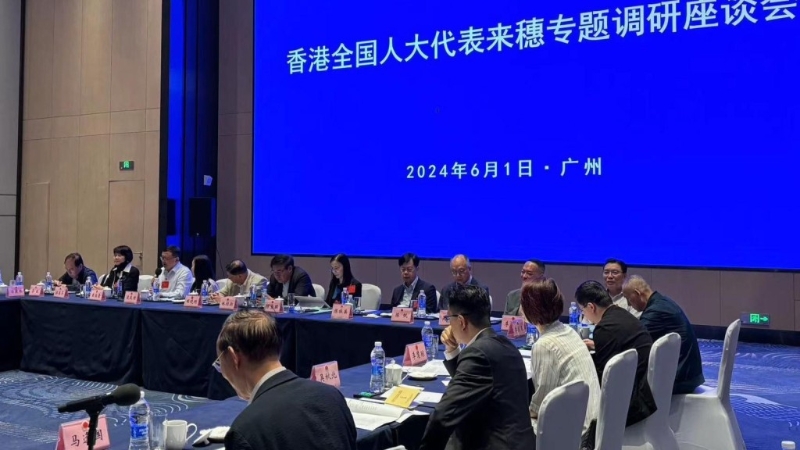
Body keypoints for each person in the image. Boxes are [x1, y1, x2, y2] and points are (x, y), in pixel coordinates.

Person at [215, 310, 357, 450]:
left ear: (234, 357)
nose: (222, 372)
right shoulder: (332, 396)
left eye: (220, 361)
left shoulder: (245, 430)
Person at [419, 285, 535, 450]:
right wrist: (452, 350)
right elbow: (471, 386)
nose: (448, 325)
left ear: (461, 321)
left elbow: (443, 417)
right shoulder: (505, 345)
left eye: (449, 318)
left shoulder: (478, 353)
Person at [521, 278, 601, 446]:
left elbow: (542, 406)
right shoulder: (570, 331)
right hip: (594, 426)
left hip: (577, 435)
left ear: (530, 308)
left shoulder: (544, 345)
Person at [575, 280, 657, 427]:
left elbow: (603, 379)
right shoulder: (621, 314)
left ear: (591, 307)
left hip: (631, 404)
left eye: (582, 310)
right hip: (643, 392)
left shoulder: (605, 329)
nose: (584, 314)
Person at [623, 275, 705, 394]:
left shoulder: (655, 312)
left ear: (637, 293)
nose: (629, 304)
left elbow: (633, 339)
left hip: (682, 378)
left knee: (626, 381)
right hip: (689, 373)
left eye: (628, 298)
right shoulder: (662, 302)